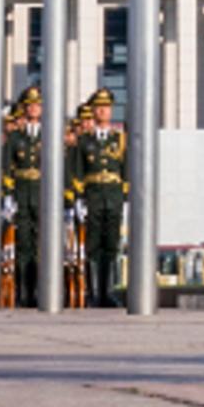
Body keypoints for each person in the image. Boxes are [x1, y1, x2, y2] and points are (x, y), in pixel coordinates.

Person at [70, 92, 129, 309]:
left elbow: (126, 169)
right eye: (99, 107)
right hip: (93, 195)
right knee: (93, 246)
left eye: (106, 107)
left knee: (111, 244)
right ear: (93, 111)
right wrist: (79, 199)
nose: (103, 111)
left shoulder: (119, 139)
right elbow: (77, 171)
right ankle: (94, 293)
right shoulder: (84, 141)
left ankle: (110, 292)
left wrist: (126, 196)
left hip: (113, 195)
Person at [1, 90, 48, 311]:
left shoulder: (48, 137)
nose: (33, 109)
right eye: (29, 105)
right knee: (23, 244)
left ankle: (40, 290)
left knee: (41, 245)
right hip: (21, 191)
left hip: (41, 192)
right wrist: (8, 195)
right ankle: (23, 292)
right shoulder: (15, 137)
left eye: (37, 105)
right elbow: (7, 167)